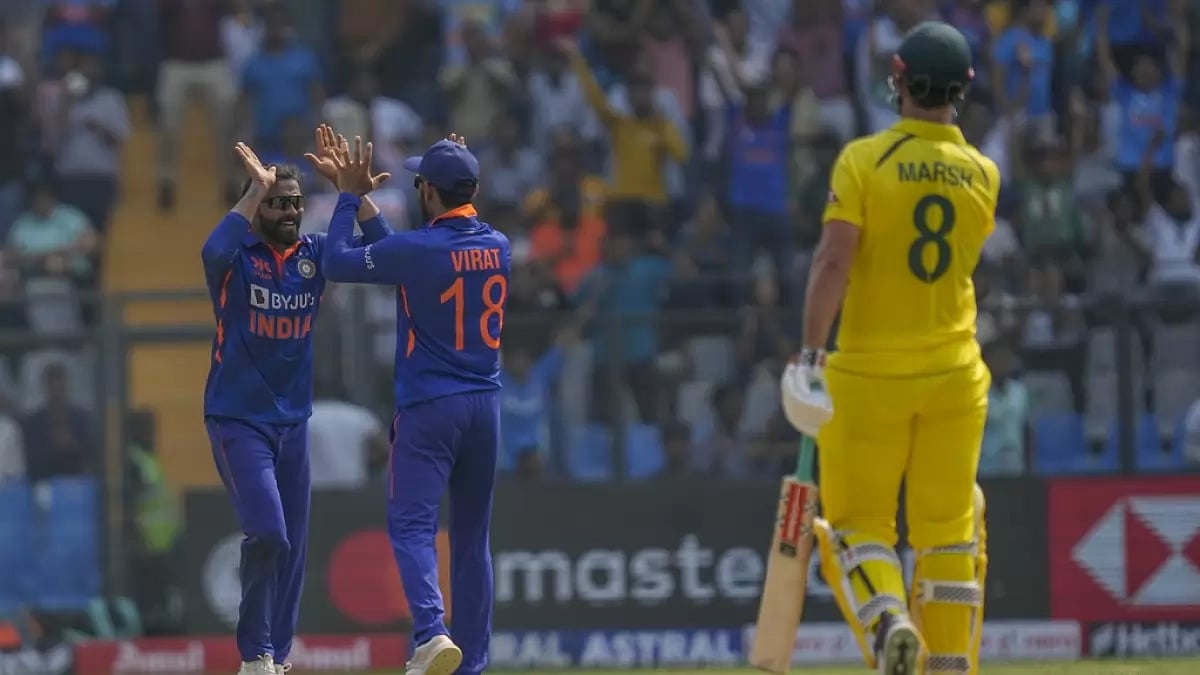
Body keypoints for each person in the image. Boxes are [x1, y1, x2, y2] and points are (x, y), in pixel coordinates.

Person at [782, 22, 999, 675]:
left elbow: (832, 264)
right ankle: (950, 663)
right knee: (947, 530)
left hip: (870, 375)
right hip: (955, 375)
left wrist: (810, 352)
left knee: (858, 525)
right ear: (961, 91)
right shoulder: (984, 173)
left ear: (897, 80)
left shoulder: (864, 161)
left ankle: (887, 620)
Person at [200, 128, 393, 675]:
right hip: (238, 420)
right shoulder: (236, 258)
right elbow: (211, 249)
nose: (287, 210)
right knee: (268, 532)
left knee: (293, 548)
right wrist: (252, 191)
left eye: (294, 203)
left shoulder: (315, 255)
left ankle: (276, 661)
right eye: (275, 201)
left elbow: (385, 252)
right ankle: (253, 655)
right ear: (258, 207)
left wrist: (353, 193)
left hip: (293, 425)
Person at [322, 134, 509, 675]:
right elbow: (408, 259)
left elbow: (338, 262)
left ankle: (431, 633)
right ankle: (471, 665)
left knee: (411, 527)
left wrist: (344, 197)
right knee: (473, 541)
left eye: (419, 182)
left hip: (430, 408)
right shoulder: (498, 244)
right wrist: (363, 202)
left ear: (428, 192)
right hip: (484, 408)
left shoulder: (420, 251)